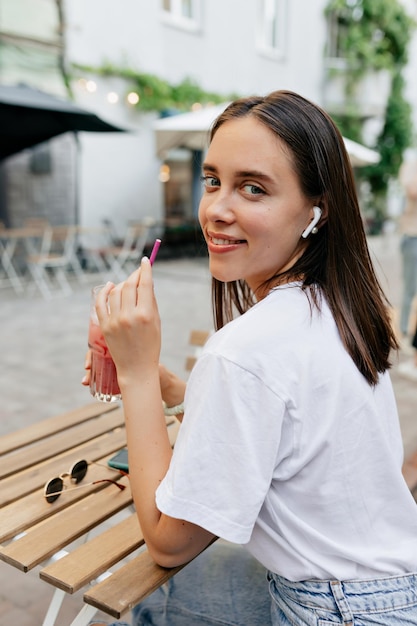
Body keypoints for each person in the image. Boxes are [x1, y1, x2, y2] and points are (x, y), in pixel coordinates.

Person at [84, 90, 417, 625]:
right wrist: (171, 387)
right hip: (395, 588)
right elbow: (282, 430)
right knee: (167, 594)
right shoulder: (336, 306)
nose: (216, 208)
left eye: (253, 188)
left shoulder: (248, 349)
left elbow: (170, 542)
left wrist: (139, 372)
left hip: (336, 610)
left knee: (152, 585)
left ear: (317, 210)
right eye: (213, 179)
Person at [398, 157, 417, 340]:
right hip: (413, 237)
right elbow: (412, 191)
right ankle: (404, 331)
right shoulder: (411, 166)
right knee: (411, 289)